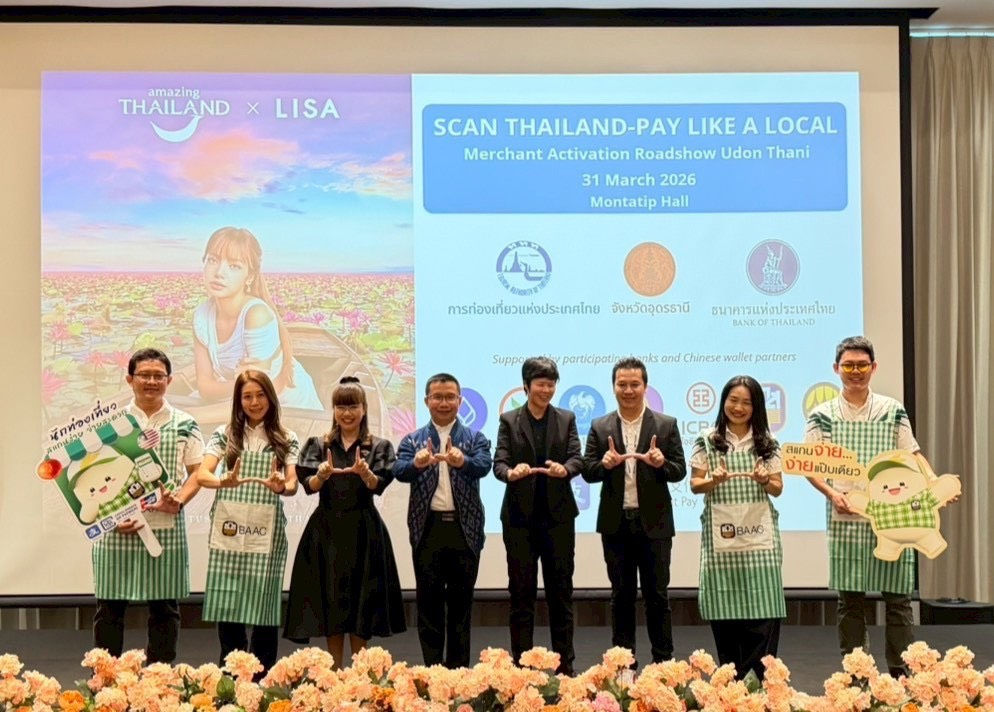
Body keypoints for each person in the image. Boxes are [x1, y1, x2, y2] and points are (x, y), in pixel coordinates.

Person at [804, 335, 940, 678]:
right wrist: (832, 494)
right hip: (846, 516)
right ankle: (857, 675)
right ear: (836, 369)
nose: (855, 371)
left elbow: (912, 454)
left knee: (898, 599)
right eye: (848, 365)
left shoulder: (892, 410)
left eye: (862, 365)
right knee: (850, 600)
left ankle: (901, 674)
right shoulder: (822, 415)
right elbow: (809, 466)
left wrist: (935, 483)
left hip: (893, 517)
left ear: (873, 367)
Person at [283, 377, 406, 667]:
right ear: (334, 409)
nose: (347, 413)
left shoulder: (379, 446)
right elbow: (309, 486)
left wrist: (365, 473)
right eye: (341, 406)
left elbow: (378, 486)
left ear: (364, 409)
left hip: (365, 530)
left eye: (353, 406)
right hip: (326, 532)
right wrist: (321, 475)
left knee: (362, 606)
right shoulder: (318, 444)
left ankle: (360, 677)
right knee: (331, 604)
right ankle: (334, 674)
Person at [91, 348, 204, 662]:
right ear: (130, 379)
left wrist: (179, 500)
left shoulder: (185, 423)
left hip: (165, 526)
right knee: (109, 609)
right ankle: (104, 680)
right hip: (118, 529)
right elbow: (92, 476)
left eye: (158, 376)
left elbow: (197, 472)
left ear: (169, 380)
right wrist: (112, 517)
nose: (151, 381)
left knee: (165, 608)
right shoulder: (110, 424)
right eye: (144, 375)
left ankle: (160, 678)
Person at [582, 357, 686, 666]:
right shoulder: (600, 426)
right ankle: (623, 667)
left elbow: (679, 470)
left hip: (655, 524)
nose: (628, 390)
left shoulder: (666, 425)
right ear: (613, 387)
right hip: (616, 525)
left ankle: (663, 665)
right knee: (621, 597)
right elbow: (587, 471)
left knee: (658, 596)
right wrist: (604, 464)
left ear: (645, 387)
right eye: (622, 384)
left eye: (634, 384)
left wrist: (661, 463)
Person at [196, 370, 299, 674]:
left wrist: (281, 486)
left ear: (271, 397)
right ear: (238, 401)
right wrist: (222, 481)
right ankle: (231, 676)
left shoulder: (286, 437)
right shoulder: (225, 434)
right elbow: (202, 474)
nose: (254, 402)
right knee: (228, 605)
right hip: (228, 528)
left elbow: (293, 484)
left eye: (260, 395)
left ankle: (263, 679)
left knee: (265, 606)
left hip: (267, 530)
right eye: (247, 396)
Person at [393, 373, 492, 669]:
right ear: (427, 401)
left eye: (450, 397)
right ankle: (433, 673)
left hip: (465, 530)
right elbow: (399, 470)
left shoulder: (475, 438)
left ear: (460, 401)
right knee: (429, 606)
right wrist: (417, 463)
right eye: (438, 397)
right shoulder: (413, 440)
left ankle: (459, 675)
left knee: (461, 608)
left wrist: (463, 461)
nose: (444, 403)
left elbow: (484, 465)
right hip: (428, 530)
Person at [689, 375, 785, 680]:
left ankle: (758, 688)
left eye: (746, 402)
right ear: (723, 402)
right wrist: (712, 480)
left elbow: (778, 488)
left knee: (762, 611)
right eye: (733, 400)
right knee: (726, 613)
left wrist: (764, 480)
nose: (739, 407)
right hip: (723, 541)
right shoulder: (707, 440)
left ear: (756, 407)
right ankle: (731, 686)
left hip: (759, 541)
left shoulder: (768, 443)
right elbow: (695, 484)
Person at [493, 356, 582, 675]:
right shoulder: (509, 420)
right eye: (541, 384)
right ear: (526, 386)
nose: (546, 390)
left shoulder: (566, 418)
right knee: (521, 596)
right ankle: (522, 670)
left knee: (561, 596)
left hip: (558, 520)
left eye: (551, 384)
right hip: (519, 521)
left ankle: (565, 669)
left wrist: (565, 469)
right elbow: (499, 463)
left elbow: (577, 458)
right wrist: (511, 473)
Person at [192, 226, 322, 410]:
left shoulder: (257, 315)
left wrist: (193, 416)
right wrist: (240, 383)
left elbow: (258, 398)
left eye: (234, 266)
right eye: (213, 260)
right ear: (203, 263)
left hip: (288, 407)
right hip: (237, 400)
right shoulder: (201, 316)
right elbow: (205, 387)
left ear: (250, 276)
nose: (219, 272)